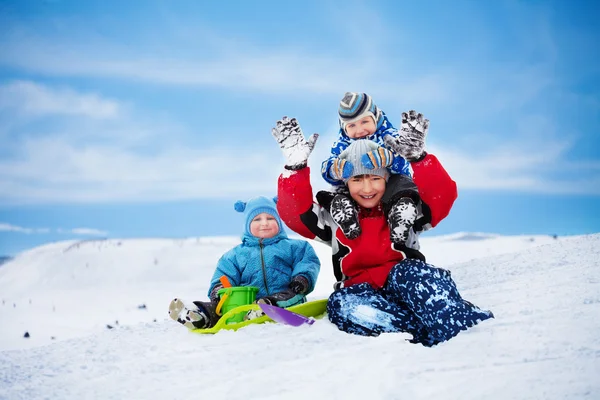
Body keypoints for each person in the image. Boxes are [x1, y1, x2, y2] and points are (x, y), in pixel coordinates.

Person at [271, 115, 493, 346]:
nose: (367, 188)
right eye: (357, 180)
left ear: (387, 179)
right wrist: (294, 168)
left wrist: (419, 159)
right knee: (342, 305)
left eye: (375, 178)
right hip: (360, 290)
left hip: (405, 280)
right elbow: (295, 214)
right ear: (346, 183)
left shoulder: (406, 209)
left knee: (418, 276)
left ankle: (455, 321)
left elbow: (441, 197)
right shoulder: (334, 218)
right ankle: (411, 329)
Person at [168, 196, 321, 329]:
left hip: (286, 298)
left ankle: (265, 308)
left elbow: (307, 261)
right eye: (257, 219)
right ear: (247, 225)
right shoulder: (236, 255)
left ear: (279, 222)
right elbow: (224, 273)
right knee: (221, 307)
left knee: (289, 296)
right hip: (246, 305)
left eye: (270, 218)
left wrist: (302, 278)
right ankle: (199, 315)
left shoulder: (294, 247)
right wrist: (219, 289)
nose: (264, 223)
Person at [320, 92, 422, 248]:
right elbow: (328, 164)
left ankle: (401, 214)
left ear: (376, 118)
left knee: (402, 184)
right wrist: (334, 170)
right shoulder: (342, 143)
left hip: (388, 187)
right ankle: (346, 214)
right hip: (357, 192)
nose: (359, 130)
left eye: (364, 122)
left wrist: (391, 159)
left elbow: (405, 164)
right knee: (340, 189)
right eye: (351, 125)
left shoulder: (388, 136)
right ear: (344, 127)